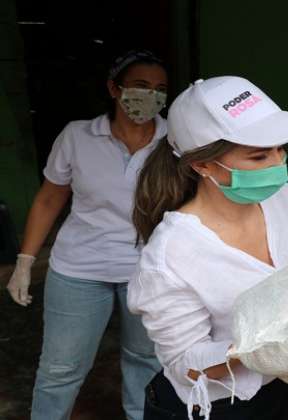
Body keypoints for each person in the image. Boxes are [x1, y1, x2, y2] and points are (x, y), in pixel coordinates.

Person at [127, 76, 288, 420]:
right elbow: (188, 365)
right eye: (258, 156)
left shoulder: (286, 200)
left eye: (280, 148)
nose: (277, 164)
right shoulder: (172, 255)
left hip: (273, 391)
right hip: (211, 404)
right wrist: (277, 347)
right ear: (203, 165)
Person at [4, 49, 168, 420]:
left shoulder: (176, 140)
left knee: (147, 361)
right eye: (140, 86)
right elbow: (49, 199)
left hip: (150, 270)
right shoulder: (77, 136)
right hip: (79, 269)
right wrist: (26, 261)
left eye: (160, 89)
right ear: (115, 88)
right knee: (60, 369)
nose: (151, 97)